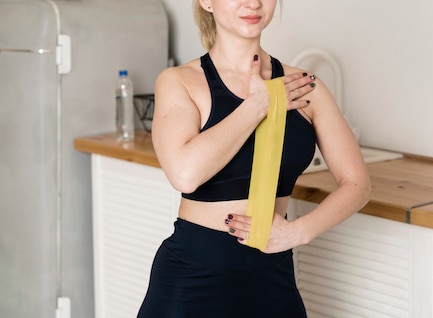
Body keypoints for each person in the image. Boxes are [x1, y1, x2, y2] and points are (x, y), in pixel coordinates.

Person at [137, 0, 371, 317]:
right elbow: (185, 174)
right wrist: (257, 106)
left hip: (273, 279)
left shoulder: (304, 87)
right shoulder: (180, 81)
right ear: (206, 2)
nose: (254, 3)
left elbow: (357, 184)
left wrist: (299, 231)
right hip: (192, 279)